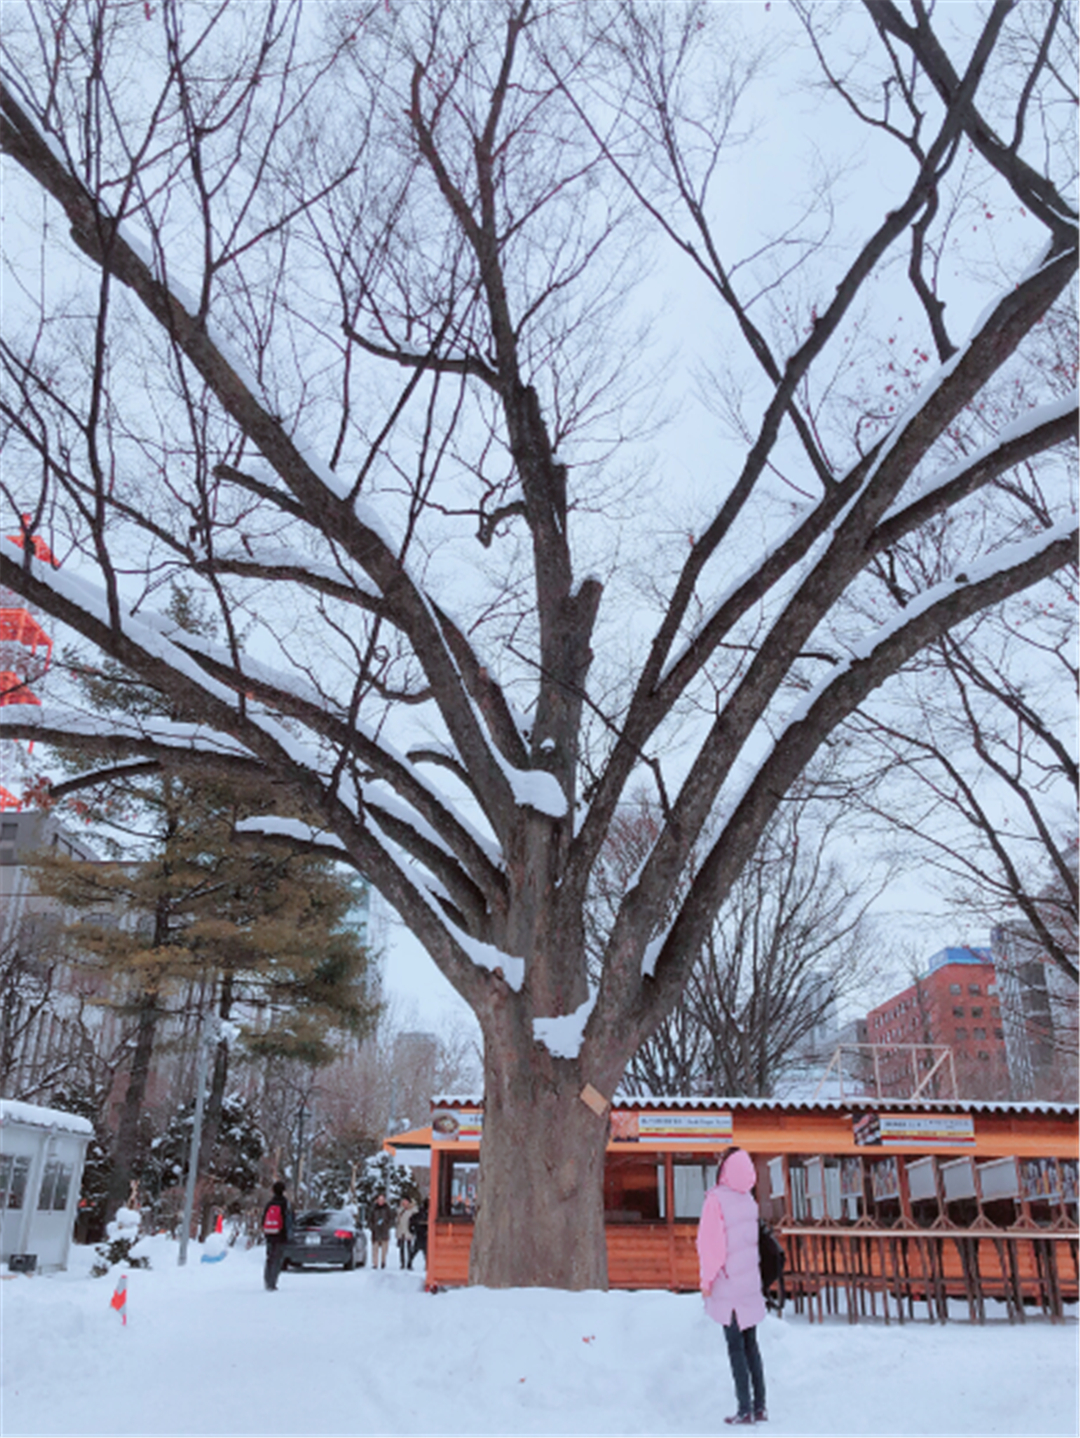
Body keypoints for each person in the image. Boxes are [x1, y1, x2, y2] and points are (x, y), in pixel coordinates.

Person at [696, 1147, 767, 1426]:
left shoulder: (715, 1200)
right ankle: (760, 1406)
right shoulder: (748, 1199)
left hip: (729, 1285)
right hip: (750, 1284)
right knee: (752, 1346)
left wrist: (706, 1282)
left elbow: (711, 1247)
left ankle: (744, 1409)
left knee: (735, 1347)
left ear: (724, 1168)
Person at [261, 1180, 291, 1292]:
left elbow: (263, 1219)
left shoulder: (270, 1203)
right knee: (277, 1258)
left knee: (269, 1258)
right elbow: (288, 1219)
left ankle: (267, 1280)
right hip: (280, 1234)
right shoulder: (285, 1203)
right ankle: (273, 1282)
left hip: (270, 1234)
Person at [369, 1192, 392, 1268]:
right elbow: (370, 1219)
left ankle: (383, 1262)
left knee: (384, 1250)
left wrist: (387, 1225)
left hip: (384, 1231)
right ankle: (375, 1263)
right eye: (379, 1199)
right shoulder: (373, 1209)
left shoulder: (387, 1209)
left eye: (382, 1199)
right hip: (376, 1232)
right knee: (375, 1249)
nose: (381, 1201)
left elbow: (391, 1218)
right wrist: (372, 1226)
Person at [396, 1195, 417, 1269]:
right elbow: (398, 1221)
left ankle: (409, 1263)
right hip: (401, 1231)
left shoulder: (413, 1210)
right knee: (401, 1248)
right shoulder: (400, 1210)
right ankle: (402, 1263)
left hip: (409, 1230)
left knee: (409, 1248)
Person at [411, 1198, 429, 1271]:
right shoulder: (426, 1213)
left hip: (420, 1232)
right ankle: (427, 1265)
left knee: (416, 1249)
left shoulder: (419, 1212)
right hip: (422, 1232)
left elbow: (412, 1220)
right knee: (423, 1250)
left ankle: (409, 1262)